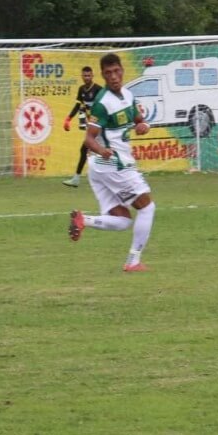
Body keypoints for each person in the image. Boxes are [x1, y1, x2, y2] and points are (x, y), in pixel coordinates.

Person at [68, 53, 156, 272]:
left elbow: (138, 121)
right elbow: (89, 138)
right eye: (108, 73)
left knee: (124, 221)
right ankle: (133, 261)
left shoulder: (128, 95)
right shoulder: (101, 103)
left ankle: (83, 220)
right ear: (103, 75)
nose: (114, 76)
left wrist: (144, 126)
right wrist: (102, 149)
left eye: (116, 71)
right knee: (147, 207)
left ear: (122, 70)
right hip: (113, 165)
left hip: (100, 168)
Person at [62, 66, 102, 187]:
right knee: (87, 150)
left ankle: (77, 178)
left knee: (90, 150)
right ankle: (77, 179)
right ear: (82, 76)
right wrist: (68, 119)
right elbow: (78, 106)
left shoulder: (98, 89)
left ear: (92, 76)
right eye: (85, 75)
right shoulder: (81, 89)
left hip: (100, 126)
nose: (87, 78)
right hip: (92, 126)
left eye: (89, 75)